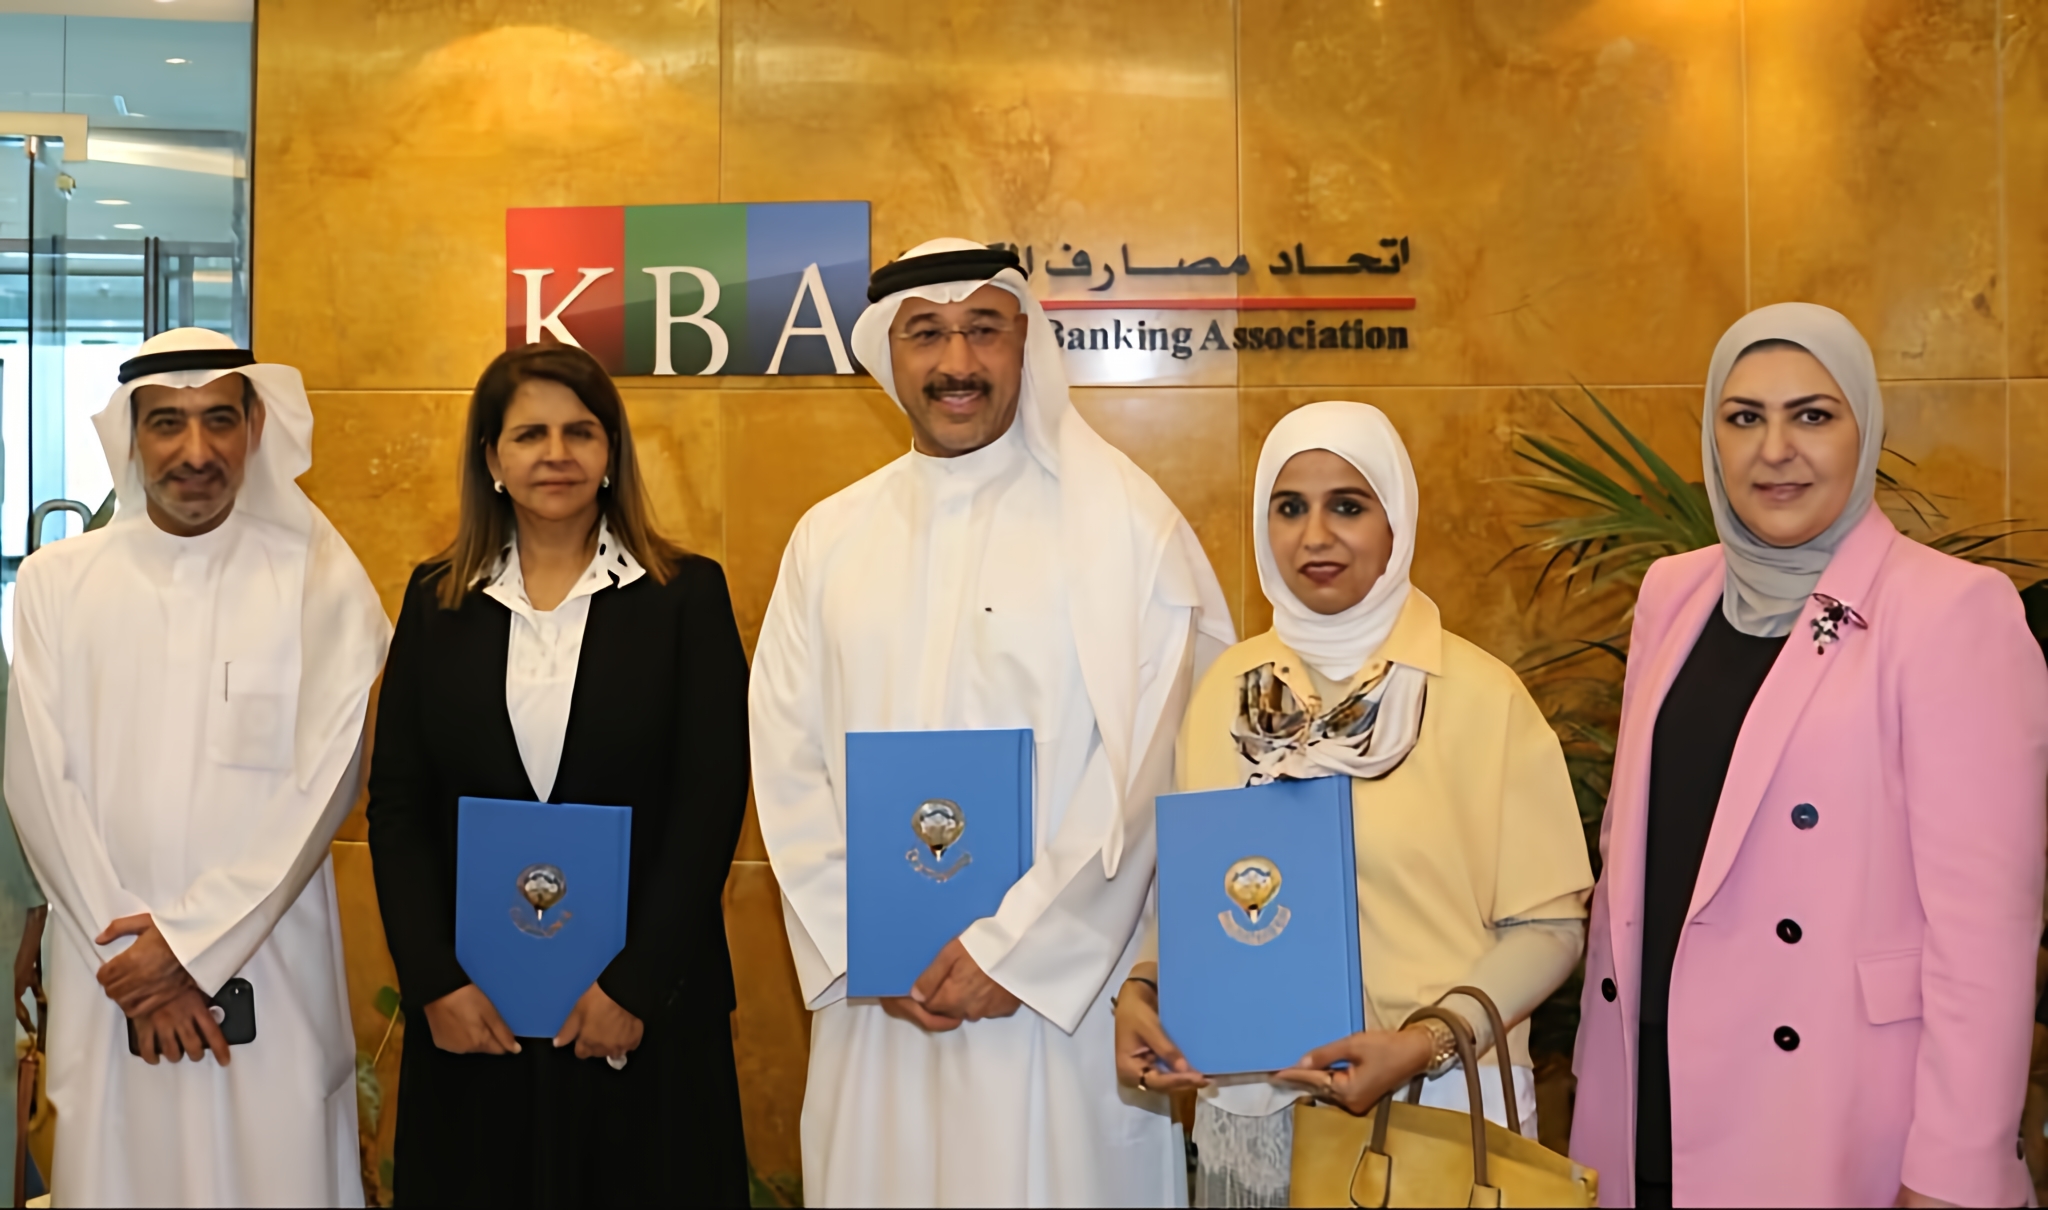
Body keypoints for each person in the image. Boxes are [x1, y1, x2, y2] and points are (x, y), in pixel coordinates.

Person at [750, 238, 1236, 1205]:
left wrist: (1018, 950)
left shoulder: (1123, 527)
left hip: (1058, 1009)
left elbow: (1152, 764)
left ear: (1026, 342)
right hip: (882, 1005)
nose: (957, 362)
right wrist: (864, 944)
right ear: (889, 353)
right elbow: (786, 756)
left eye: (983, 329)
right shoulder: (828, 538)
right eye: (926, 334)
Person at [1568, 303, 2048, 1207]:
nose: (1774, 450)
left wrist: (1955, 1170)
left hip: (1830, 1112)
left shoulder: (1949, 612)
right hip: (1648, 1100)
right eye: (1744, 416)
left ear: (1864, 431)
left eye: (1812, 416)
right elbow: (1634, 863)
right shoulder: (1675, 593)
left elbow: (1984, 935)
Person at [1112, 401, 1594, 1207]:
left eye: (1347, 505)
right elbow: (1200, 895)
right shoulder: (1226, 693)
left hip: (1434, 1112)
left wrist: (1423, 1042)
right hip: (1255, 1110)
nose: (1315, 536)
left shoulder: (1479, 697)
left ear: (1396, 518)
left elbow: (1549, 928)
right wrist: (1146, 990)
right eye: (1289, 507)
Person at [4, 326, 390, 1205]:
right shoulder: (56, 582)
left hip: (271, 972)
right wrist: (138, 965)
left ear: (256, 428)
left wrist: (188, 948)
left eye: (219, 419)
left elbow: (328, 782)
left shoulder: (318, 577)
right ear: (131, 435)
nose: (196, 451)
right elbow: (38, 782)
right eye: (167, 423)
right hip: (111, 977)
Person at [365, 342, 749, 1206]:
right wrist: (434, 982)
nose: (556, 454)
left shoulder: (686, 595)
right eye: (529, 434)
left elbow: (710, 804)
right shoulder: (436, 599)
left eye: (580, 432)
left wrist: (634, 986)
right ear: (491, 459)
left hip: (643, 1014)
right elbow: (398, 807)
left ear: (611, 451)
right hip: (477, 1013)